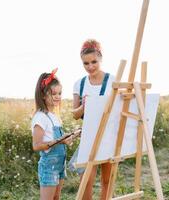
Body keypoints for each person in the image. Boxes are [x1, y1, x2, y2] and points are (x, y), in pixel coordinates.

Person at [69, 39, 115, 200]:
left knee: (107, 180)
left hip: (109, 135)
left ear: (101, 58)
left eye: (94, 62)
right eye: (86, 63)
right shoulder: (79, 84)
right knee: (86, 180)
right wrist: (83, 106)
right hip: (89, 136)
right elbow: (75, 114)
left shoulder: (113, 80)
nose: (90, 67)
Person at [31, 68, 72, 200]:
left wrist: (67, 138)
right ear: (43, 95)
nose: (58, 96)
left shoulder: (54, 116)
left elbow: (56, 138)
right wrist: (59, 140)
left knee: (56, 197)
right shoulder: (40, 117)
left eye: (60, 93)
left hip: (60, 164)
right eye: (53, 93)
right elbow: (37, 145)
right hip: (50, 166)